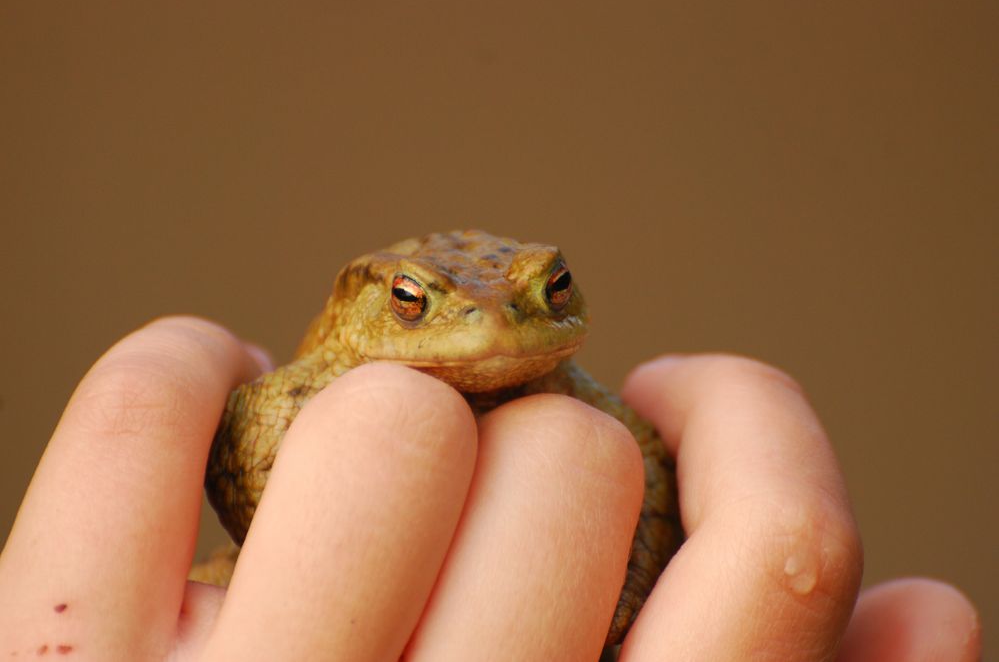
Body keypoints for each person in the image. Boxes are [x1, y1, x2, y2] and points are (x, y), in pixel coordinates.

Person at [0, 317, 980, 660]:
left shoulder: (605, 426)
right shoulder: (288, 405)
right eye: (424, 305)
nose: (491, 328)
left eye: (543, 296)